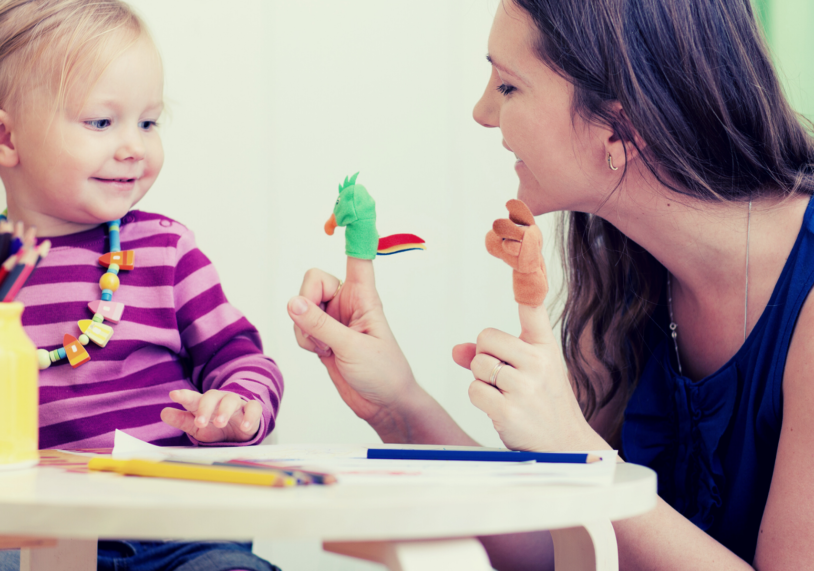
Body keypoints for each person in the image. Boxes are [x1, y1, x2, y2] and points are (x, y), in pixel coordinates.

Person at [288, 0, 814, 569]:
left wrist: (578, 450)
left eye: (508, 87)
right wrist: (398, 404)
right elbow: (560, 547)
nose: (481, 111)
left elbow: (583, 487)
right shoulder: (624, 272)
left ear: (619, 129)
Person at [0, 1, 282, 570]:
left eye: (148, 122)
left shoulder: (166, 252)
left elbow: (239, 356)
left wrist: (238, 407)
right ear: (7, 138)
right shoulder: (10, 270)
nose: (133, 146)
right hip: (30, 539)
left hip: (179, 533)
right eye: (101, 122)